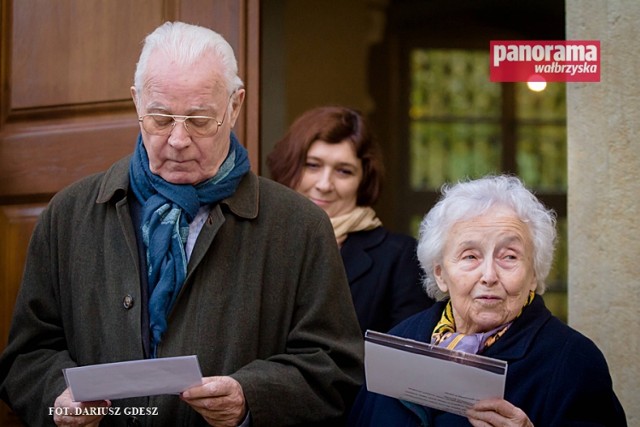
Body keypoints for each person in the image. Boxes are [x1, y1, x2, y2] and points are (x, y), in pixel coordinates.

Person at [0, 22, 364, 427]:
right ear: (137, 102)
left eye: (199, 120)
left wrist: (250, 399)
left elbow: (336, 367)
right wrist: (57, 398)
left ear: (235, 106)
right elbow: (26, 358)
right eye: (159, 118)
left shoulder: (299, 227)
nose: (177, 139)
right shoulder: (68, 215)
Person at [348, 175, 627, 426]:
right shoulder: (400, 342)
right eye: (470, 256)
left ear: (534, 274)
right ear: (441, 273)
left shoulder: (573, 361)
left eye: (509, 256)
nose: (489, 275)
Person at [267, 106, 433, 335]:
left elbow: (404, 359)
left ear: (363, 180)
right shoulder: (259, 241)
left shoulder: (400, 257)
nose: (324, 184)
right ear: (289, 166)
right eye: (313, 165)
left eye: (344, 171)